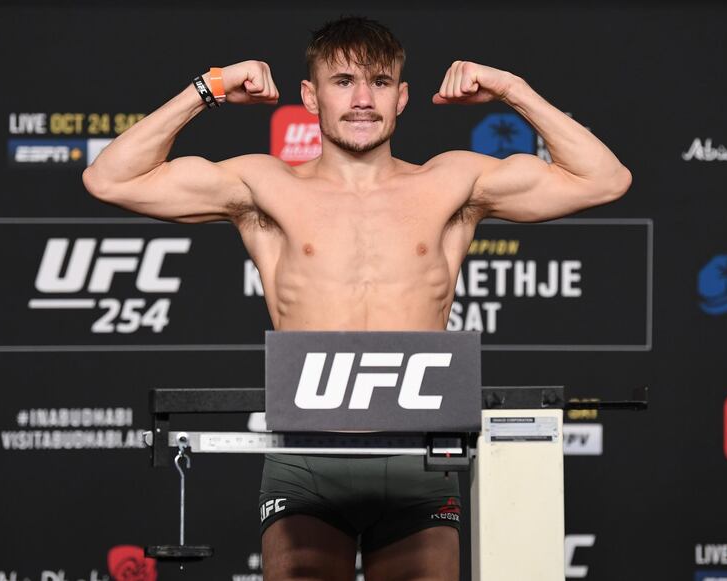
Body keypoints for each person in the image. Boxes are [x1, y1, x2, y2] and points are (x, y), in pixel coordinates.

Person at [83, 16, 631, 581]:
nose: (363, 99)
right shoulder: (266, 187)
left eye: (380, 82)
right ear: (309, 97)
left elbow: (604, 180)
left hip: (423, 459)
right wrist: (210, 87)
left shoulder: (452, 184)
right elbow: (111, 180)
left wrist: (512, 89)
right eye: (343, 81)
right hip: (305, 462)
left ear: (403, 97)